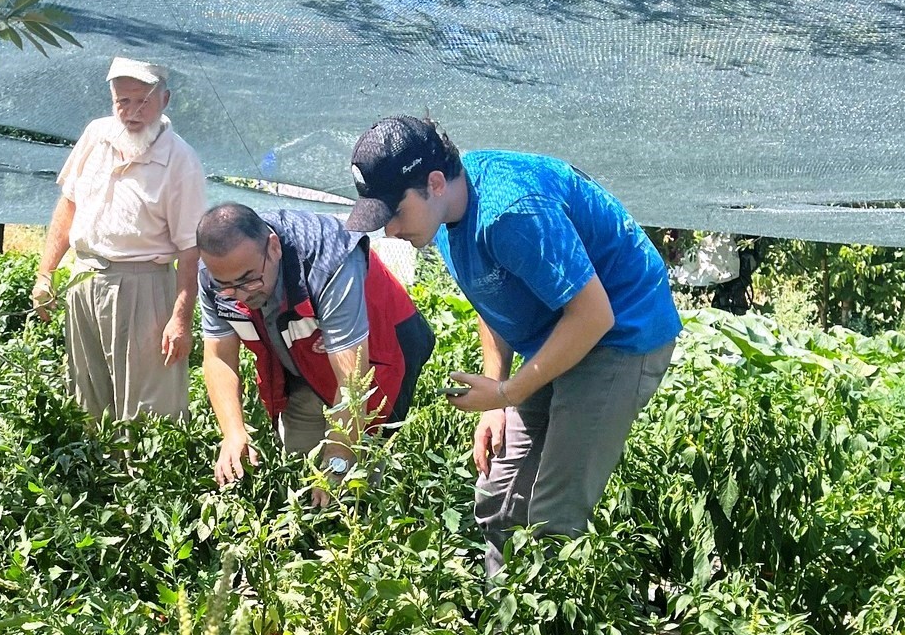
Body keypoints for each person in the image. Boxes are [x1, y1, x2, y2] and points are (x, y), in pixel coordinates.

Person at [347, 116, 681, 574]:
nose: (390, 231)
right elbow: (492, 298)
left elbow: (594, 316)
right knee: (498, 497)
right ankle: (502, 628)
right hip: (558, 325)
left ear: (435, 182)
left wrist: (510, 393)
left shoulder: (510, 213)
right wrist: (495, 397)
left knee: (552, 518)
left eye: (394, 214)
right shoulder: (443, 217)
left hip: (621, 331)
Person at [195, 203, 435, 506]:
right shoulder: (213, 275)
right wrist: (233, 432)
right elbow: (218, 358)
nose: (241, 294)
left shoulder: (328, 261)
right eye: (227, 287)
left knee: (357, 474)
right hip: (303, 364)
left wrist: (338, 458)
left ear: (273, 247)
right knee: (301, 469)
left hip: (378, 357)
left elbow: (353, 379)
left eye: (248, 279)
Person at [30, 57, 207, 421]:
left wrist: (181, 320)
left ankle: (146, 478)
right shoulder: (96, 135)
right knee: (86, 399)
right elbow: (69, 205)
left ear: (165, 100)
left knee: (149, 411)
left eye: (143, 101)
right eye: (122, 101)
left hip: (144, 286)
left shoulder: (181, 162)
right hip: (84, 280)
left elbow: (191, 251)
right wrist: (45, 273)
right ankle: (97, 478)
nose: (132, 112)